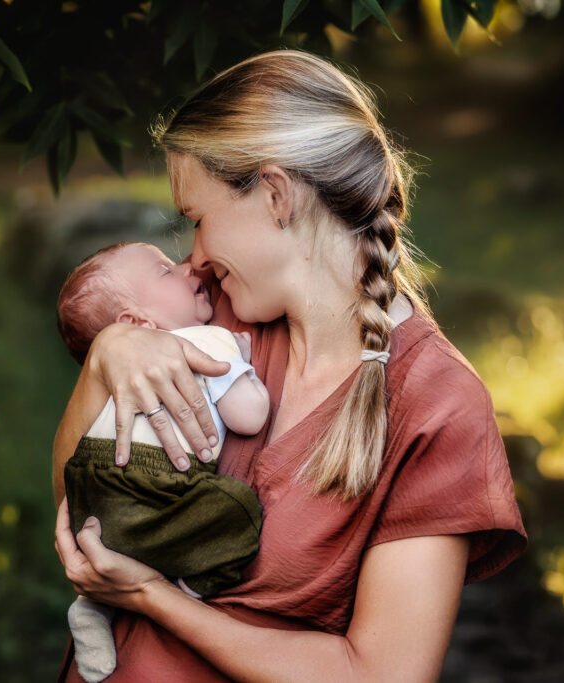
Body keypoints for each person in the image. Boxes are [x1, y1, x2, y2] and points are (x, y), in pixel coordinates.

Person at [53, 50, 527, 682]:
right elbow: (78, 500)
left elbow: (379, 674)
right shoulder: (217, 313)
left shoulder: (435, 404)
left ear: (276, 195)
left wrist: (148, 596)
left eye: (198, 219)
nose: (192, 257)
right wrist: (107, 357)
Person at [56, 241, 270, 682]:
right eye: (165, 271)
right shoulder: (209, 340)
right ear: (135, 323)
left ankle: (91, 607)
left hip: (93, 493)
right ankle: (191, 586)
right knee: (233, 513)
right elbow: (248, 417)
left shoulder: (116, 373)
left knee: (116, 543)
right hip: (158, 485)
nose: (189, 266)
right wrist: (242, 369)